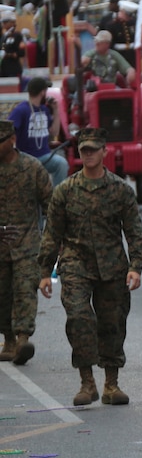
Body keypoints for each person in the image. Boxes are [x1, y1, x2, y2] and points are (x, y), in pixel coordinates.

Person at [37, 127, 142, 406]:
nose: (88, 154)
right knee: (79, 318)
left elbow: (134, 231)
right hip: (75, 263)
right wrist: (44, 273)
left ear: (104, 152)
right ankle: (87, 383)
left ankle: (111, 384)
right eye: (84, 150)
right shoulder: (66, 191)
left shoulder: (120, 190)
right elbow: (52, 234)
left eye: (93, 150)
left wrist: (136, 266)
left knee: (113, 323)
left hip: (112, 265)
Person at [0, 120, 53, 364]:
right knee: (3, 295)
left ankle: (23, 339)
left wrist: (51, 238)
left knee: (25, 290)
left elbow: (51, 203)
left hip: (28, 243)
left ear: (11, 140)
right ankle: (9, 340)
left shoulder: (32, 167)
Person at [9, 76, 67, 186]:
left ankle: (56, 198)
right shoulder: (21, 110)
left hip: (45, 156)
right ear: (42, 92)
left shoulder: (44, 109)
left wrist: (55, 110)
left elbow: (54, 132)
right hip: (26, 157)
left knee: (61, 164)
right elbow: (9, 130)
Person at [1, 9, 26, 78]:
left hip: (14, 68)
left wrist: (9, 54)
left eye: (6, 22)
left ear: (12, 23)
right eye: (3, 22)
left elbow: (21, 53)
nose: (4, 24)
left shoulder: (17, 36)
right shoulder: (4, 36)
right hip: (4, 69)